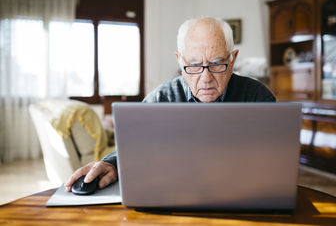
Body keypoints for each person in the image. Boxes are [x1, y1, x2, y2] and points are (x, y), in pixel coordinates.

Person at [64, 17, 275, 192]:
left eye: (217, 64)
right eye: (194, 65)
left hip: (242, 195)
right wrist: (112, 163)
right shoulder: (161, 99)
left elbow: (274, 162)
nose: (206, 78)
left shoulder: (258, 97)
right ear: (180, 62)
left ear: (233, 60)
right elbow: (134, 144)